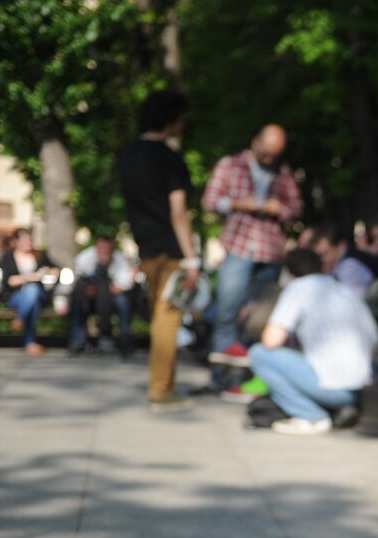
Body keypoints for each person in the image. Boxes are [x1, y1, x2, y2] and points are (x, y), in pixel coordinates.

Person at [200, 124, 303, 384]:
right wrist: (236, 203)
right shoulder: (231, 165)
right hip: (239, 247)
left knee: (260, 319)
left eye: (275, 155)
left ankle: (250, 378)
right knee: (227, 313)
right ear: (255, 143)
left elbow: (296, 208)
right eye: (267, 153)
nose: (270, 160)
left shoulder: (283, 172)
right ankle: (222, 377)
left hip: (270, 251)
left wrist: (279, 208)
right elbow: (210, 201)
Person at [120, 88, 201, 412]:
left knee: (159, 316)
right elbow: (178, 213)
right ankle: (161, 391)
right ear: (172, 119)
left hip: (146, 247)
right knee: (168, 320)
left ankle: (164, 386)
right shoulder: (170, 159)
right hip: (171, 250)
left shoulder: (128, 154)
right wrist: (192, 258)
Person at [247, 248, 378, 435]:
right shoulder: (343, 289)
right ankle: (335, 409)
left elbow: (271, 340)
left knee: (259, 354)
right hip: (363, 387)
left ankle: (311, 416)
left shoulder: (299, 288)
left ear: (290, 273)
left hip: (335, 389)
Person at [68, 234, 136, 357]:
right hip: (90, 297)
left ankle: (124, 340)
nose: (104, 252)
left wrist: (103, 288)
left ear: (112, 249)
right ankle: (78, 341)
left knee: (123, 302)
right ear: (96, 248)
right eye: (101, 248)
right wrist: (89, 289)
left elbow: (124, 285)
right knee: (78, 300)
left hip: (112, 296)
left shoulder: (120, 260)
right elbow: (78, 279)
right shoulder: (85, 258)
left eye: (107, 249)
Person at [0, 229, 60, 357]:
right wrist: (30, 277)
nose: (29, 243)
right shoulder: (8, 257)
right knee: (32, 300)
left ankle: (20, 319)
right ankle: (30, 343)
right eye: (25, 240)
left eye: (30, 240)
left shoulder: (39, 255)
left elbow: (56, 269)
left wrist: (51, 272)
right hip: (16, 296)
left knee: (33, 291)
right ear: (16, 242)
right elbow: (8, 281)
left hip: (39, 294)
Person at [305, 223, 376, 298]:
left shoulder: (350, 266)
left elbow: (349, 302)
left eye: (324, 254)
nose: (321, 260)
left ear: (341, 246)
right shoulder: (345, 264)